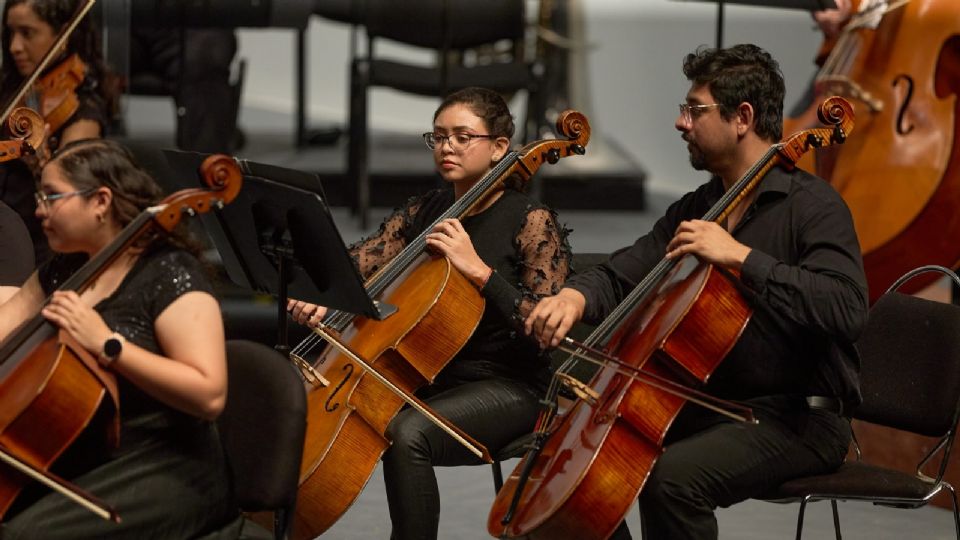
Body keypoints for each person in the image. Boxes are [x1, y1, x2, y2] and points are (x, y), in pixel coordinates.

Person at [525, 44, 869, 539]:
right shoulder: (700, 206)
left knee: (672, 479)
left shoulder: (813, 206)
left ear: (742, 117)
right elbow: (625, 271)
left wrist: (741, 257)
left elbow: (847, 309)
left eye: (694, 110)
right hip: (712, 404)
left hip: (799, 417)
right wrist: (573, 298)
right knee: (573, 458)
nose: (680, 123)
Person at [287, 86, 572, 539]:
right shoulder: (429, 211)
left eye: (463, 137)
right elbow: (359, 263)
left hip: (508, 384)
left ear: (500, 148)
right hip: (429, 374)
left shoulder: (530, 220)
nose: (447, 147)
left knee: (406, 432)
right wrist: (328, 295)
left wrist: (479, 272)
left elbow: (543, 328)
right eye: (438, 137)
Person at [0, 139, 239, 539]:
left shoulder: (169, 276)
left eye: (52, 196)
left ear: (101, 201)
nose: (39, 209)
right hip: (79, 452)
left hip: (161, 463)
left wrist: (108, 344)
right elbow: (8, 320)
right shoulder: (68, 267)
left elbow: (209, 394)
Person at [0, 0, 117, 265]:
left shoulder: (83, 109)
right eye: (10, 33)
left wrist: (42, 167)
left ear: (63, 35)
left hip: (36, 248)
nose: (14, 46)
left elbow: (73, 203)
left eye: (27, 33)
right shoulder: (10, 90)